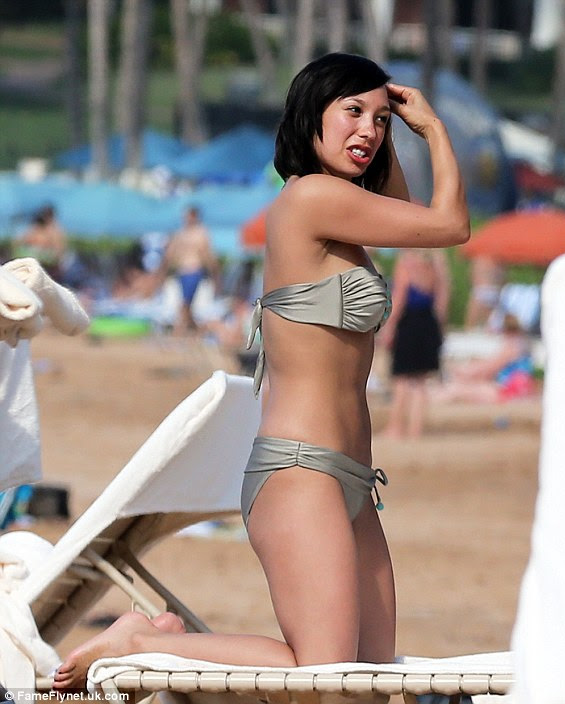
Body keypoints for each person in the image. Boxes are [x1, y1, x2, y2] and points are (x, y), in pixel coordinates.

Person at [53, 52, 469, 689]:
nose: (370, 130)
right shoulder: (310, 197)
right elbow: (449, 225)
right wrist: (433, 129)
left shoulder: (344, 217)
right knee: (325, 673)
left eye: (381, 120)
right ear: (310, 117)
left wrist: (384, 128)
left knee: (367, 684)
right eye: (352, 112)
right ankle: (142, 640)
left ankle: (157, 639)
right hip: (299, 472)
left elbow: (406, 212)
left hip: (354, 479)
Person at [381, 248, 449, 438]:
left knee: (401, 379)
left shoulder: (407, 261)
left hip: (408, 323)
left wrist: (389, 326)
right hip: (429, 322)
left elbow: (400, 297)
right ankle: (415, 430)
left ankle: (395, 428)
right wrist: (439, 327)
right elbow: (442, 297)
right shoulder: (436, 261)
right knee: (420, 382)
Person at [431, 313, 536, 404]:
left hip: (508, 392)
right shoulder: (520, 344)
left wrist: (463, 371)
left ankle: (430, 401)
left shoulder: (511, 347)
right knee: (459, 387)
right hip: (514, 389)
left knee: (456, 389)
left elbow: (489, 368)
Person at [158, 206, 219, 334]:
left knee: (186, 302)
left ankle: (182, 328)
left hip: (194, 270)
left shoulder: (201, 233)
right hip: (181, 271)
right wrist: (163, 270)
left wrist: (214, 272)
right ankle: (193, 328)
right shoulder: (181, 233)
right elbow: (171, 254)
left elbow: (207, 254)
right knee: (186, 302)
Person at [17, 205, 67, 282]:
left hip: (49, 270)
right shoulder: (35, 228)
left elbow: (58, 253)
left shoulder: (55, 230)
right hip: (32, 267)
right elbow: (21, 242)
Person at [464, 255, 505, 329]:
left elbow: (471, 275)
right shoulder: (498, 258)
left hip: (481, 290)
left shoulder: (478, 259)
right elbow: (503, 277)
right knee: (491, 324)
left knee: (471, 326)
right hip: (494, 291)